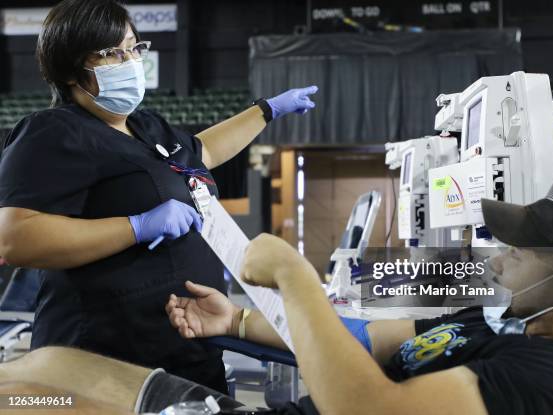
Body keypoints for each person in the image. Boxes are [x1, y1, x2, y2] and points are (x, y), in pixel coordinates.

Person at [2, 185, 553, 414]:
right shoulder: (499, 319)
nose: (498, 262)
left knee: (31, 404)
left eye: (520, 255)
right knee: (43, 367)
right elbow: (369, 342)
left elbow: (367, 411)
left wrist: (293, 275)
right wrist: (238, 317)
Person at [0, 0, 317, 392]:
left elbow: (202, 152)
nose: (129, 61)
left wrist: (267, 110)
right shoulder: (52, 132)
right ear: (70, 68)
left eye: (133, 48)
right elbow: (16, 238)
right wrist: (136, 226)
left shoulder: (147, 126)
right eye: (111, 53)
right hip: (106, 360)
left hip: (189, 348)